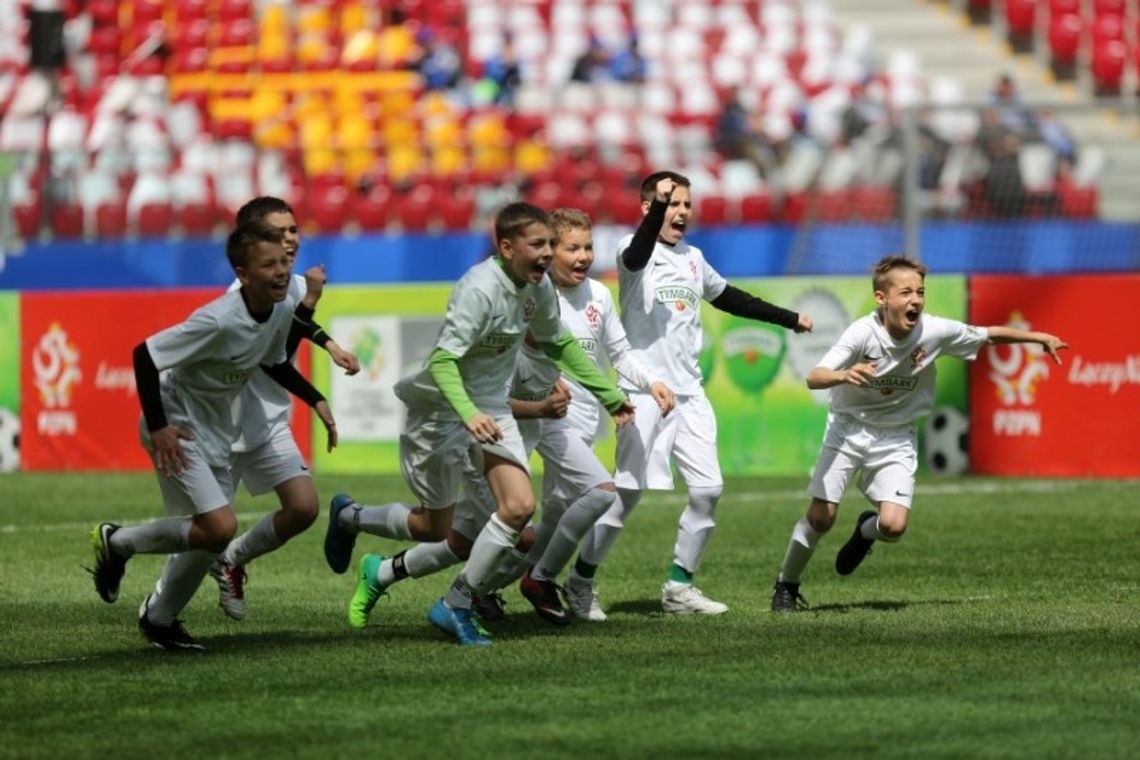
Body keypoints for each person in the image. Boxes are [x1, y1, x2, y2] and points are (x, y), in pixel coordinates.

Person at [324, 202, 634, 646]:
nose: (547, 253)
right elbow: (444, 361)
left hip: (490, 410)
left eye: (550, 243)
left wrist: (608, 395)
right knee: (436, 528)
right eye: (538, 244)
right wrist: (468, 413)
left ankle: (456, 603)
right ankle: (351, 517)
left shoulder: (538, 287)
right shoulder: (478, 289)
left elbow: (559, 342)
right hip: (438, 411)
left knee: (518, 508)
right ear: (507, 248)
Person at [571, 171, 813, 617]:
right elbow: (641, 250)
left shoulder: (694, 258)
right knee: (626, 493)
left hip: (689, 394)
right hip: (642, 390)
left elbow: (728, 298)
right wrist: (657, 208)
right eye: (671, 203)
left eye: (686, 203)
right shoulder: (631, 250)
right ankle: (580, 583)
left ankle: (679, 588)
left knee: (708, 490)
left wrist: (788, 317)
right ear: (649, 209)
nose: (681, 212)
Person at [87, 221, 338, 650]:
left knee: (212, 535)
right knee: (219, 526)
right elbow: (145, 355)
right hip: (177, 424)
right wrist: (161, 426)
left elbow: (274, 361)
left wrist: (316, 400)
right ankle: (119, 544)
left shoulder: (278, 310)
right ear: (242, 274)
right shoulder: (219, 319)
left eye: (282, 263)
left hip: (216, 427)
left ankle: (158, 616)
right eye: (268, 265)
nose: (281, 272)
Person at [769, 255, 1068, 612]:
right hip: (849, 429)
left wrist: (1036, 338)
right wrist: (843, 375)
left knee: (893, 527)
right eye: (906, 292)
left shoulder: (934, 332)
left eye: (921, 292)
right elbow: (814, 376)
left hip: (896, 436)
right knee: (822, 517)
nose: (916, 300)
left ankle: (866, 530)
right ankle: (786, 586)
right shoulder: (862, 333)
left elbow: (986, 335)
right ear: (882, 299)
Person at [476, 208, 677, 624]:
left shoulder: (599, 297)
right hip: (547, 418)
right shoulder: (533, 295)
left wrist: (650, 381)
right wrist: (545, 382)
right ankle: (543, 578)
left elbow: (620, 354)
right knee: (600, 492)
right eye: (572, 248)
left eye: (587, 247)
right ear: (550, 252)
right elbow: (507, 353)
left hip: (586, 418)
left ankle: (482, 587)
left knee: (552, 519)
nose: (584, 256)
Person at [208, 197, 360, 621]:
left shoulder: (289, 283)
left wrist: (330, 344)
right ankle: (126, 551)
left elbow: (294, 330)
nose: (290, 238)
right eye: (279, 232)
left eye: (293, 230)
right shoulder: (243, 294)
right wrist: (316, 397)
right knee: (204, 533)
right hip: (226, 423)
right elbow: (270, 356)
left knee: (303, 507)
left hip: (268, 419)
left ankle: (231, 561)